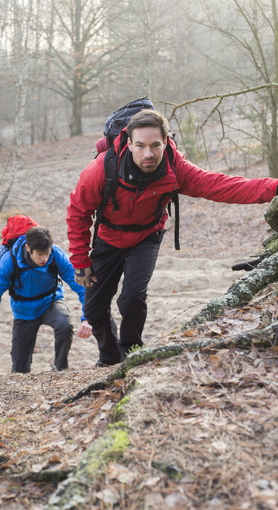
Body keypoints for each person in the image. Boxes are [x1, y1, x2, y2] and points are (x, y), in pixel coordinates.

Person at [67, 109, 278, 367]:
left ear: (166, 142)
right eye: (141, 145)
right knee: (93, 310)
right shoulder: (101, 169)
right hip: (108, 239)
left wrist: (274, 188)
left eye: (155, 145)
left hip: (146, 235)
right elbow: (78, 212)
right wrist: (80, 261)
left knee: (132, 297)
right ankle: (110, 358)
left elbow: (222, 186)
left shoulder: (175, 168)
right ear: (129, 143)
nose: (148, 153)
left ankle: (132, 351)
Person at [0, 226, 92, 372]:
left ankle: (61, 369)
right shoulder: (9, 261)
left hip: (50, 302)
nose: (44, 259)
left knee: (64, 325)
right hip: (24, 311)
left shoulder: (56, 254)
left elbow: (80, 286)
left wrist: (87, 317)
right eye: (40, 254)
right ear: (28, 248)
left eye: (47, 253)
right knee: (19, 369)